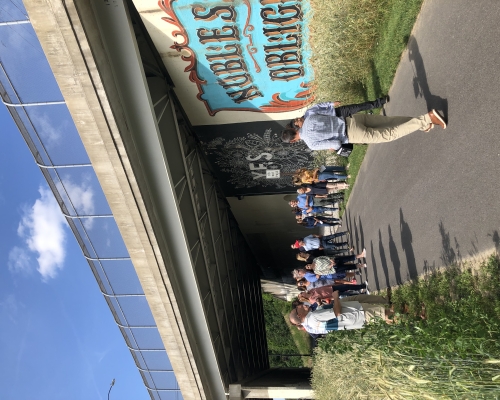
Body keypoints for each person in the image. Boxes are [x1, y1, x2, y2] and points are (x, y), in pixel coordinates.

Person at [281, 101, 447, 151]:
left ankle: (427, 119)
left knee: (389, 134)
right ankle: (421, 124)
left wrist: (334, 149)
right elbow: (330, 112)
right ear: (293, 128)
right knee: (389, 121)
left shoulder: (311, 143)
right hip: (351, 119)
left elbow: (336, 144)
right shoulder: (309, 118)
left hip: (351, 134)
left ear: (294, 141)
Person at [289, 291, 393, 333]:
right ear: (299, 314)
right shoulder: (313, 317)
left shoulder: (311, 323)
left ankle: (401, 315)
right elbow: (336, 313)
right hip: (355, 313)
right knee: (385, 314)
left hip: (352, 319)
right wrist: (335, 297)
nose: (300, 305)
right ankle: (403, 315)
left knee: (383, 316)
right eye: (297, 308)